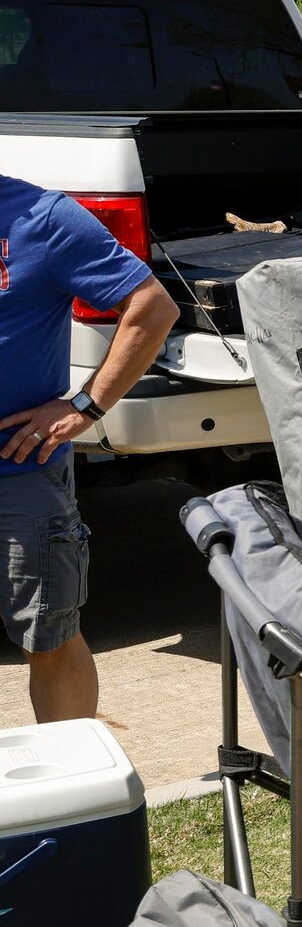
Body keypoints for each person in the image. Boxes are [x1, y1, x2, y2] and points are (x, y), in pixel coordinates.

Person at [0, 175, 178, 722]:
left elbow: (152, 306)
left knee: (48, 638)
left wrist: (86, 406)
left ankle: (73, 797)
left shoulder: (44, 217)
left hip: (17, 473)